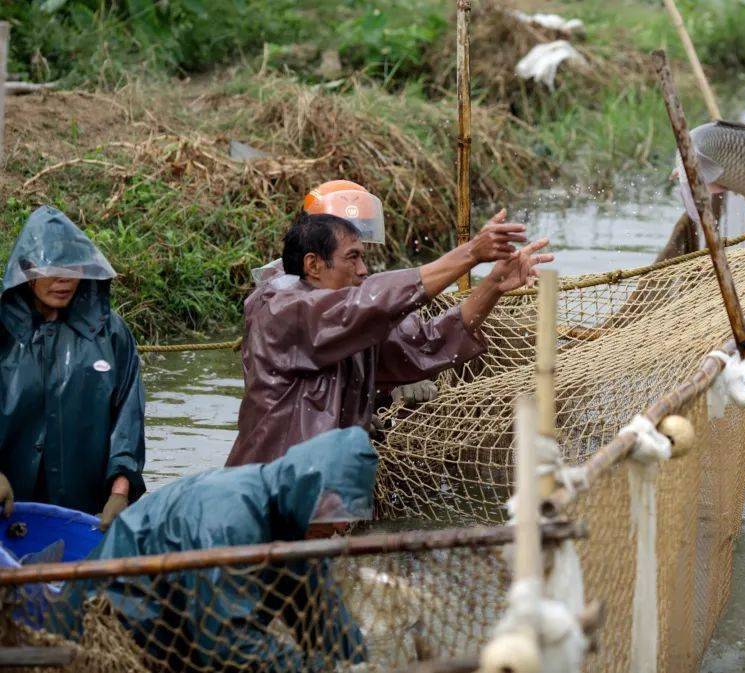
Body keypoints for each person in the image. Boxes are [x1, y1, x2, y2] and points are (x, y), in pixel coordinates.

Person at [225, 180, 553, 466]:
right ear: (312, 260)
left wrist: (492, 285)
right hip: (276, 487)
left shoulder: (353, 314)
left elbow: (428, 342)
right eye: (352, 256)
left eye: (363, 254)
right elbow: (369, 301)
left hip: (328, 484)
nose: (364, 269)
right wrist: (469, 254)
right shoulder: (281, 303)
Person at [50, 427, 375, 673]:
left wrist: (359, 665)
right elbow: (226, 644)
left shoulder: (296, 527)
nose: (337, 527)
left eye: (346, 515)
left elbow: (324, 613)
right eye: (332, 510)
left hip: (174, 623)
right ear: (307, 488)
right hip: (107, 621)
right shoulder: (228, 519)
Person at [0, 205, 145, 530]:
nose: (64, 278)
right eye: (52, 268)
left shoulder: (111, 333)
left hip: (85, 513)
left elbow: (128, 418)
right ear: (27, 269)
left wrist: (120, 490)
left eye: (73, 266)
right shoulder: (3, 331)